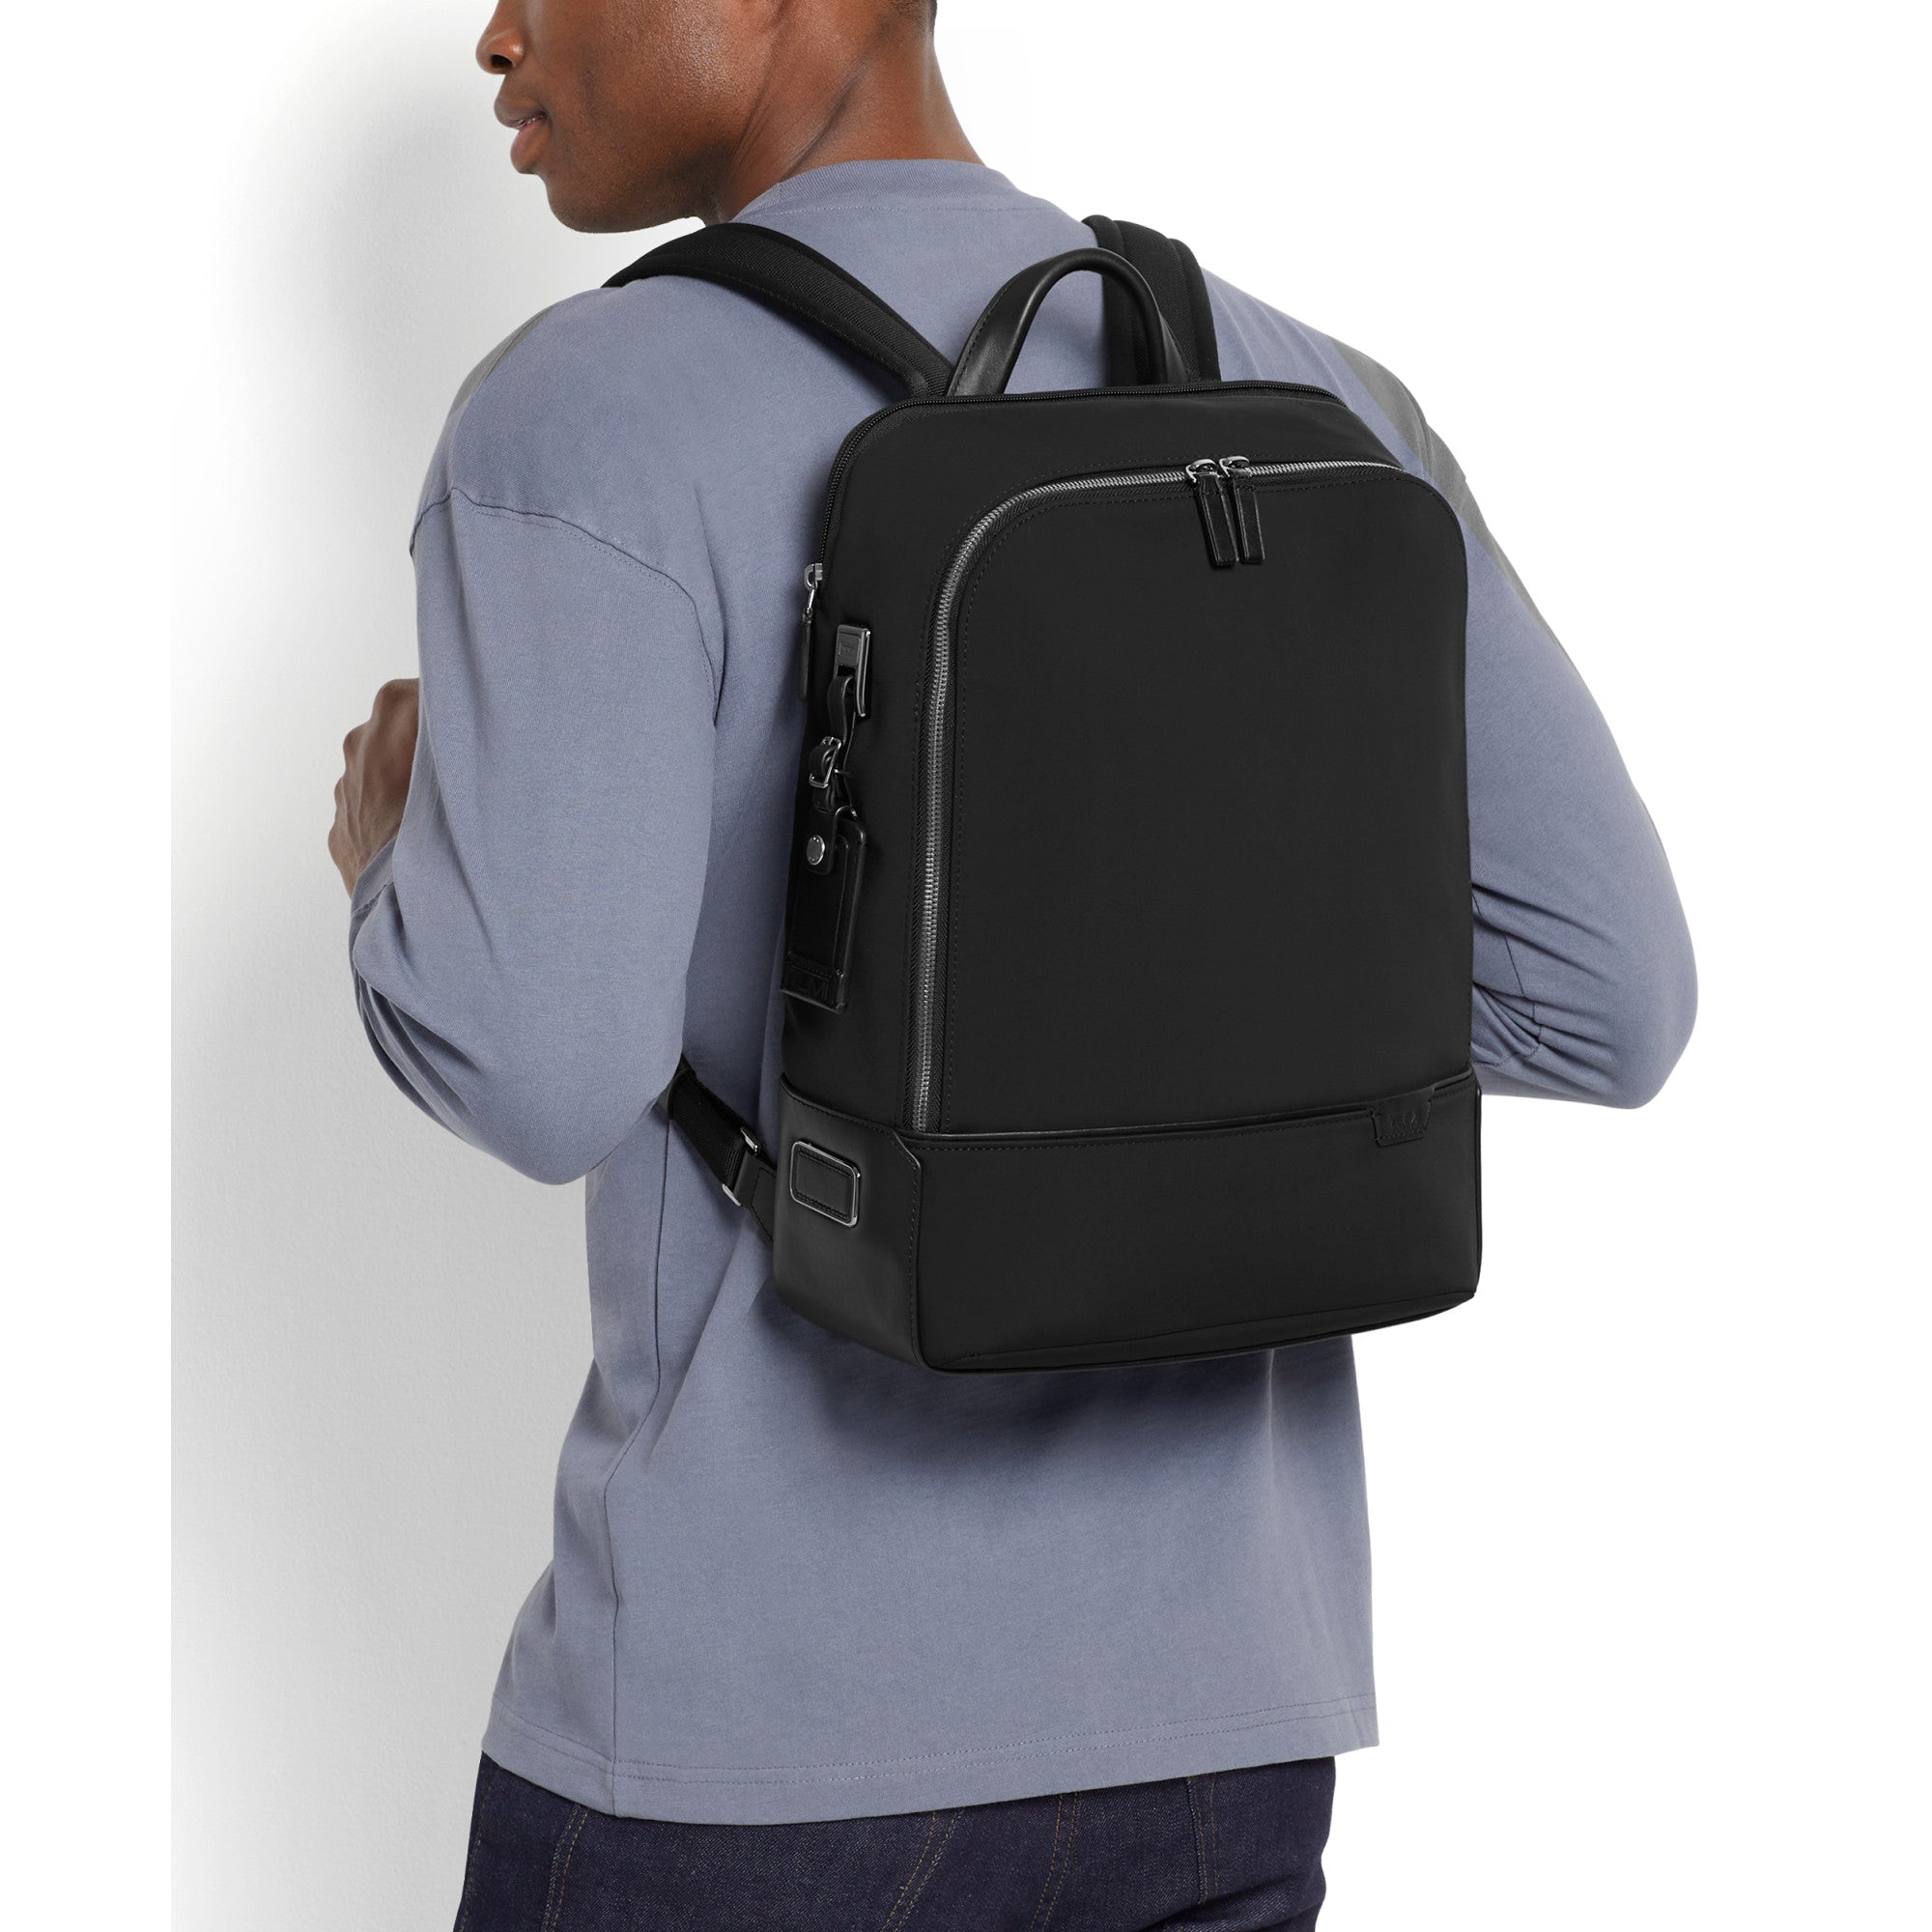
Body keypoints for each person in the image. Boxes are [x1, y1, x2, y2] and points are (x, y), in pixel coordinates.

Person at [329, 2, 1697, 1924]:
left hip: (757, 1754)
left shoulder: (588, 413)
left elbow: (538, 1066)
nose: (498, 33)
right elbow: (1609, 993)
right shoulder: (1299, 390)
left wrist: (394, 861)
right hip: (1220, 1741)